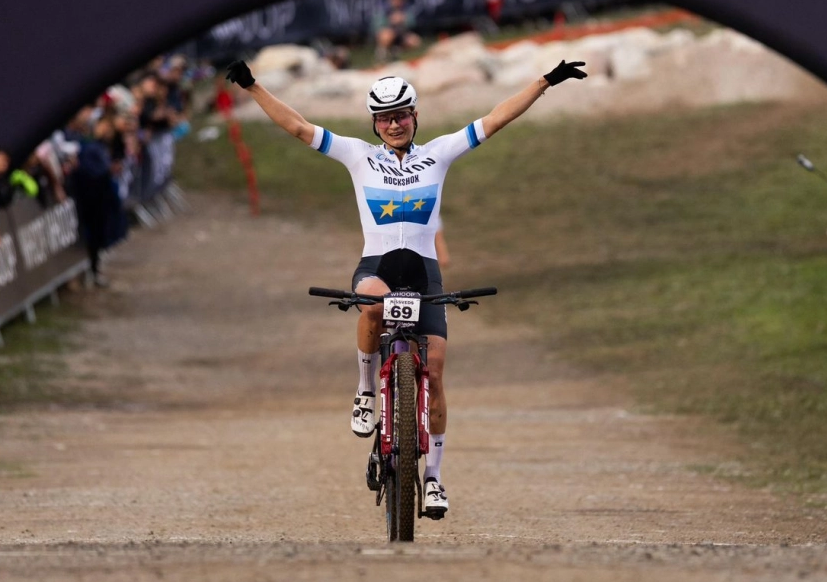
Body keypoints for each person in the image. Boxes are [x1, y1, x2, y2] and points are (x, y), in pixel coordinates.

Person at [224, 55, 590, 519]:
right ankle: (363, 390)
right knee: (372, 304)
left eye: (401, 115)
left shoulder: (438, 153)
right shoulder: (358, 155)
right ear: (375, 124)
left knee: (434, 371)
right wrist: (252, 86)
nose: (394, 124)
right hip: (377, 263)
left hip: (424, 271)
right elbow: (298, 127)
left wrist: (544, 81)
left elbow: (495, 119)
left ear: (415, 116)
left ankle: (433, 477)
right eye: (385, 118)